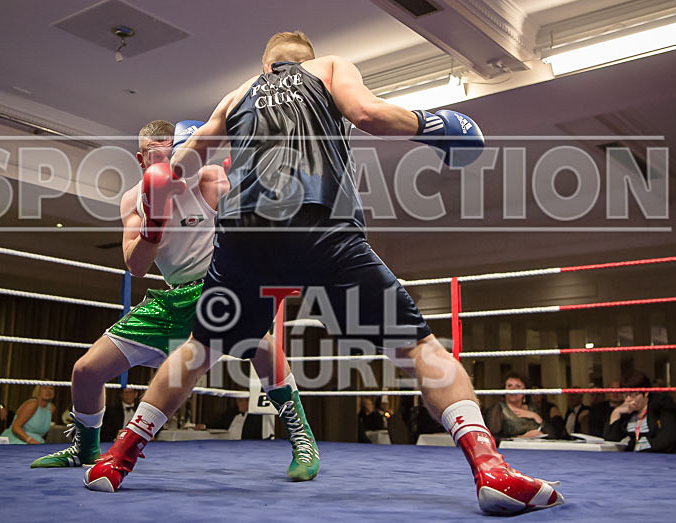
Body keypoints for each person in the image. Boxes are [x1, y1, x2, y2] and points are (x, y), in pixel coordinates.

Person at [86, 31, 563, 514]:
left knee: (197, 351)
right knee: (419, 349)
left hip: (245, 235)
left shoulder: (236, 95)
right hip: (322, 224)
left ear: (266, 65)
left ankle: (116, 460)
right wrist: (433, 124)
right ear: (306, 60)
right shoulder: (329, 67)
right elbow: (368, 114)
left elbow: (181, 165)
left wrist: (161, 186)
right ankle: (490, 469)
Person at [32, 120, 317, 479]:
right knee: (86, 371)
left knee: (261, 345)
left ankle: (302, 438)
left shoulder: (209, 179)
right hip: (171, 299)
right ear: (141, 159)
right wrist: (154, 222)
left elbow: (257, 225)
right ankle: (85, 447)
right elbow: (136, 266)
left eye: (174, 153)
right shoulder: (133, 199)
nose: (168, 162)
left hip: (216, 289)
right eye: (158, 156)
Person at [603, 371, 676, 453]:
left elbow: (668, 439)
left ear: (646, 393)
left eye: (633, 395)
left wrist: (639, 450)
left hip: (674, 455)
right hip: (640, 458)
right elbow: (611, 440)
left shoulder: (663, 405)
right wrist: (616, 412)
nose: (628, 399)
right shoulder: (628, 410)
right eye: (625, 395)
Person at [484, 373, 544, 442]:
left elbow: (551, 434)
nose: (513, 389)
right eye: (509, 386)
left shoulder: (533, 408)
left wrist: (535, 416)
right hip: (511, 448)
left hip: (537, 447)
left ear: (525, 390)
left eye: (518, 386)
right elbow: (492, 438)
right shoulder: (497, 409)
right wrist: (522, 437)